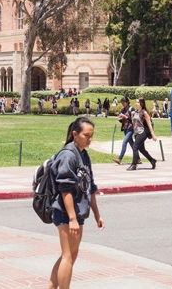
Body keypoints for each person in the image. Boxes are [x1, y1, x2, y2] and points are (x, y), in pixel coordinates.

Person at [48, 117, 104, 289]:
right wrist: (72, 218)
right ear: (75, 134)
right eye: (86, 135)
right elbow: (65, 189)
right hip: (65, 212)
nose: (90, 139)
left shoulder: (83, 155)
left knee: (72, 253)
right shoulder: (68, 155)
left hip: (78, 213)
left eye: (92, 135)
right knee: (68, 256)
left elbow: (90, 187)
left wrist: (97, 214)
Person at [127, 97, 158, 171]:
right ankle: (152, 160)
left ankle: (134, 164)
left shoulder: (144, 112)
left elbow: (149, 124)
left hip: (142, 132)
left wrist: (153, 135)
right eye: (136, 102)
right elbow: (133, 123)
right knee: (142, 149)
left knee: (135, 147)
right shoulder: (136, 112)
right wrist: (132, 116)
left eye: (138, 102)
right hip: (137, 132)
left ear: (141, 103)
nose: (136, 103)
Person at [113, 96, 138, 166]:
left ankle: (119, 159)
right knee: (132, 144)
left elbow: (133, 120)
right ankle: (138, 158)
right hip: (125, 128)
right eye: (122, 103)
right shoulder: (123, 110)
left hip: (131, 128)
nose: (123, 104)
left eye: (124, 102)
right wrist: (120, 119)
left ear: (127, 102)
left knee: (124, 142)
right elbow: (122, 120)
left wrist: (125, 117)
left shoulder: (131, 109)